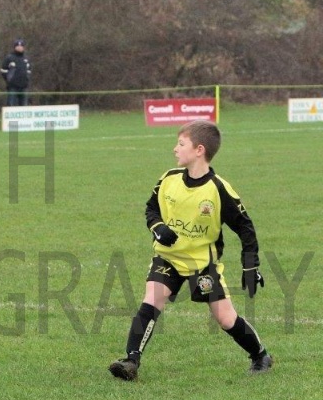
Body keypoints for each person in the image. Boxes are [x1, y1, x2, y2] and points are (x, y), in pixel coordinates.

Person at [108, 120, 272, 381]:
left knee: (225, 318)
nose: (175, 149)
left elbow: (245, 228)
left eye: (181, 143)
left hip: (202, 264)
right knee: (151, 300)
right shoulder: (169, 178)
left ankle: (260, 355)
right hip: (168, 258)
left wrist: (250, 266)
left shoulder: (218, 189)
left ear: (199, 150)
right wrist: (158, 227)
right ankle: (131, 362)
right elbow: (151, 208)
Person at [0, 39, 31, 107]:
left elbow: (29, 71)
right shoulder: (9, 58)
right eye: (18, 46)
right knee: (11, 106)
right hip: (12, 87)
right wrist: (9, 80)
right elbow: (3, 71)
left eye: (21, 46)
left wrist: (26, 79)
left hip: (24, 87)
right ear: (15, 47)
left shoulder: (26, 58)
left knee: (24, 107)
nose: (19, 47)